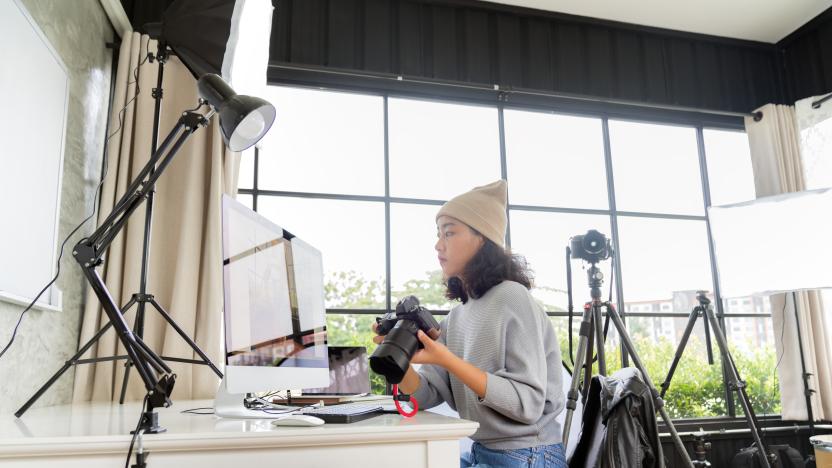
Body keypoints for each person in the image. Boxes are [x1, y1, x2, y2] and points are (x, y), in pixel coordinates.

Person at [373, 180, 566, 468]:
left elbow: (527, 404)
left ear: (483, 239)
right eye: (438, 234)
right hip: (483, 452)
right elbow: (425, 395)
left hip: (530, 454)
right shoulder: (457, 316)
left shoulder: (512, 297)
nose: (438, 245)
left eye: (449, 233)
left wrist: (449, 360)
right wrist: (398, 362)